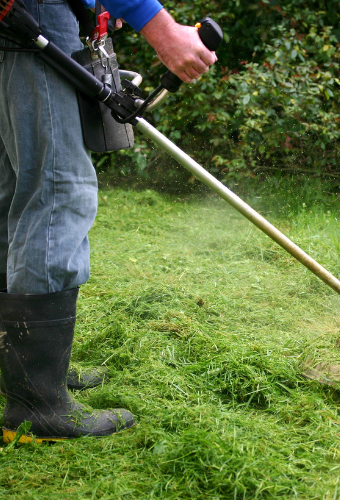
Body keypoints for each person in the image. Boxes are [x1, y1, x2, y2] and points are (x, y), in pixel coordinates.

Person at [0, 0, 217, 443]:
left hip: (16, 17)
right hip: (34, 13)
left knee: (13, 188)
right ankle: (37, 403)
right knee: (57, 190)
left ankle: (22, 371)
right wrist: (160, 26)